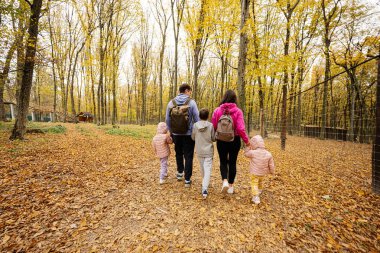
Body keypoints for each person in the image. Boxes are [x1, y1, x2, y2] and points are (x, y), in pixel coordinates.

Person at [211, 90, 250, 194]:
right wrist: (247, 141)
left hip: (221, 140)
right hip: (234, 139)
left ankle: (224, 181)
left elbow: (214, 126)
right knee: (232, 162)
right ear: (234, 99)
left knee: (223, 161)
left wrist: (213, 137)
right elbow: (241, 129)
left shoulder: (217, 110)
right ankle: (231, 186)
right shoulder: (238, 111)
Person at [166, 83, 199, 187]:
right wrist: (196, 131)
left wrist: (171, 132)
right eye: (190, 91)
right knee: (188, 155)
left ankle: (180, 173)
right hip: (188, 134)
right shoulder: (191, 102)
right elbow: (197, 118)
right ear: (186, 90)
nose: (190, 94)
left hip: (176, 133)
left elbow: (167, 120)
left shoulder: (171, 103)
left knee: (178, 153)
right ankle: (187, 180)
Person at [191, 108, 216, 198]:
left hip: (199, 150)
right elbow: (213, 138)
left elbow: (193, 137)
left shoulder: (195, 125)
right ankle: (204, 187)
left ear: (199, 116)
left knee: (203, 169)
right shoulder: (211, 126)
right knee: (207, 169)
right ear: (208, 116)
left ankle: (204, 185)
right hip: (208, 150)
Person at [244, 135, 275, 204]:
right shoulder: (268, 154)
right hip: (262, 173)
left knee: (254, 183)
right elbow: (271, 164)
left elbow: (246, 154)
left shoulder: (253, 152)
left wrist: (248, 147)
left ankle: (256, 196)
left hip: (254, 173)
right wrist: (272, 171)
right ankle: (259, 190)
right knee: (260, 182)